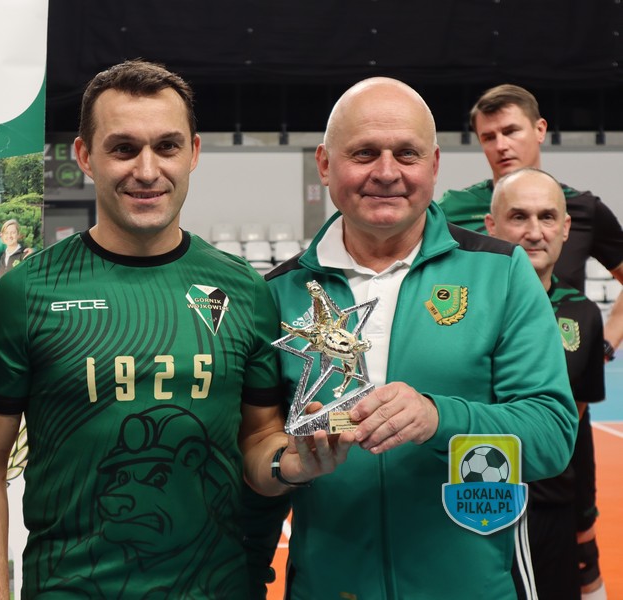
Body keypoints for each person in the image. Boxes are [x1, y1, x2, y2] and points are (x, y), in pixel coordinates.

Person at [0, 59, 344, 599]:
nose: (146, 170)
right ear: (84, 156)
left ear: (194, 153)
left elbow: (257, 440)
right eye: (123, 148)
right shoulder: (26, 293)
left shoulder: (244, 291)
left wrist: (287, 463)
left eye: (166, 147)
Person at [261, 77, 577, 599]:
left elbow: (551, 437)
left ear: (433, 165)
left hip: (472, 587)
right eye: (364, 153)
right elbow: (257, 450)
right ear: (325, 163)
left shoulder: (500, 273)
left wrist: (438, 418)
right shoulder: (277, 293)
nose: (387, 173)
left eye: (406, 154)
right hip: (329, 585)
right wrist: (286, 466)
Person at [437, 84, 617, 598]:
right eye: (488, 135)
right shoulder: (453, 208)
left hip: (558, 392)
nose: (501, 144)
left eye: (511, 131)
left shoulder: (582, 207)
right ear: (493, 223)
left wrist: (600, 345)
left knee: (568, 544)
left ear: (540, 130)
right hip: (481, 407)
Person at [485, 168, 605, 600]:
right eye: (519, 216)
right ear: (492, 225)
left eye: (547, 217)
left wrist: (584, 521)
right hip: (477, 500)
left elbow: (577, 432)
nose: (534, 232)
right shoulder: (464, 305)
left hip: (552, 512)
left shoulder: (584, 314)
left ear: (565, 228)